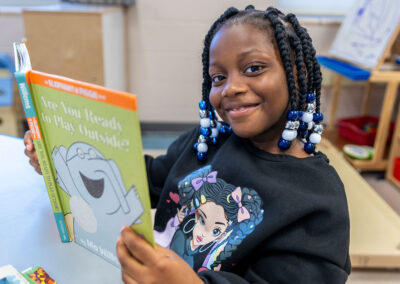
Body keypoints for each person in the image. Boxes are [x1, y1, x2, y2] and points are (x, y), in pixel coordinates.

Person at [24, 5, 351, 284]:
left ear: (296, 72)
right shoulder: (206, 141)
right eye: (218, 77)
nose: (231, 88)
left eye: (253, 69)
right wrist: (55, 157)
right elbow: (147, 180)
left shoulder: (318, 200)